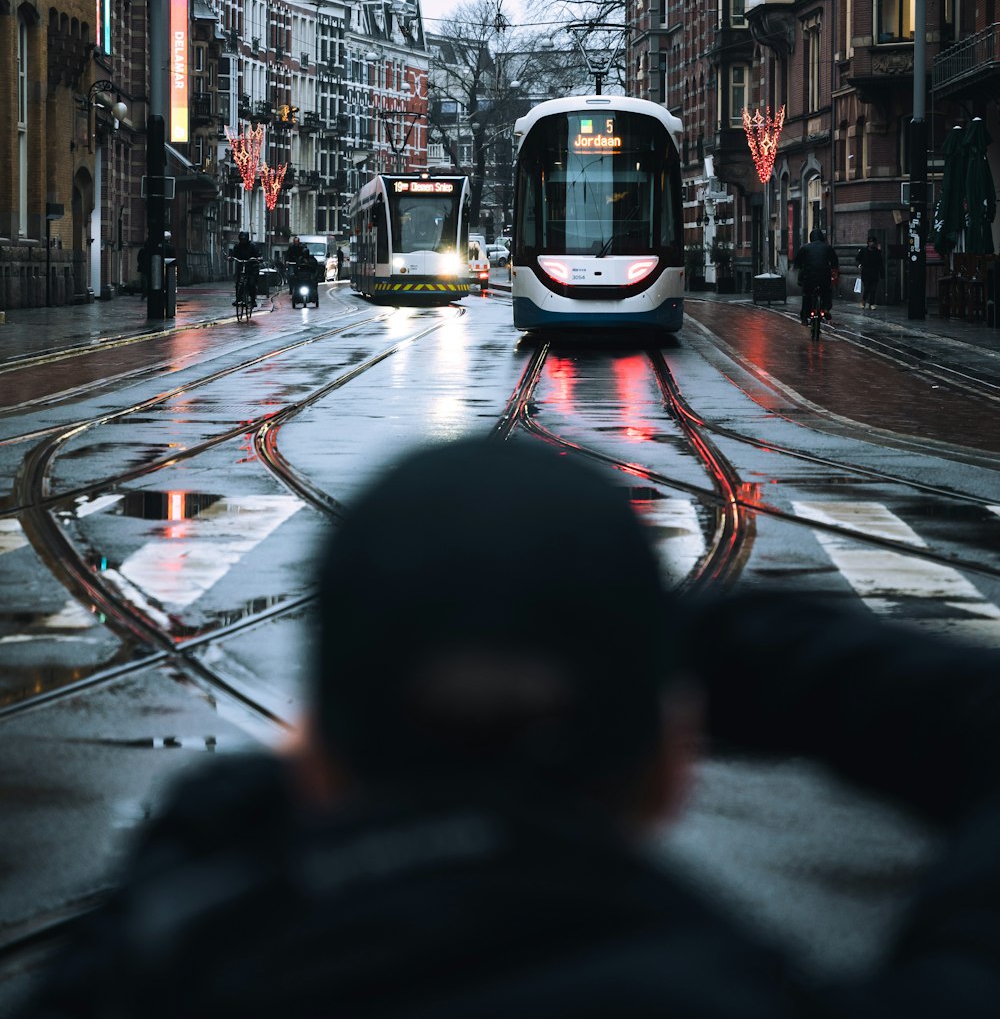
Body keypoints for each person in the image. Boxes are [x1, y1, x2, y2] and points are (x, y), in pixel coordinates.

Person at [20, 437, 1000, 1017]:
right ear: (667, 766)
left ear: (313, 761)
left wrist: (207, 834)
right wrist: (682, 635)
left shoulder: (143, 975)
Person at [793, 226, 840, 324]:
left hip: (809, 278)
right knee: (827, 292)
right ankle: (826, 308)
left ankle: (805, 318)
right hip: (824, 277)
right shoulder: (827, 248)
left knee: (807, 295)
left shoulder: (805, 248)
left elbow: (797, 263)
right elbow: (835, 262)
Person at [230, 230, 259, 307]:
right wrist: (231, 257)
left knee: (251, 283)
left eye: (244, 239)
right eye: (241, 239)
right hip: (241, 266)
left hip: (251, 268)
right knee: (238, 283)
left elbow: (258, 254)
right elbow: (233, 254)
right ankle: (238, 299)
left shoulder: (252, 246)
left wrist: (258, 258)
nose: (243, 241)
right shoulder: (237, 246)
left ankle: (253, 300)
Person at [856, 232, 885, 310]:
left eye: (873, 242)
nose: (871, 243)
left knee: (873, 289)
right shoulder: (863, 251)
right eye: (870, 242)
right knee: (867, 288)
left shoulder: (877, 252)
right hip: (866, 273)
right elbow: (858, 259)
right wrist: (859, 264)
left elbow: (880, 263)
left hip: (874, 273)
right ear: (868, 243)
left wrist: (882, 273)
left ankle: (871, 303)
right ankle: (863, 301)